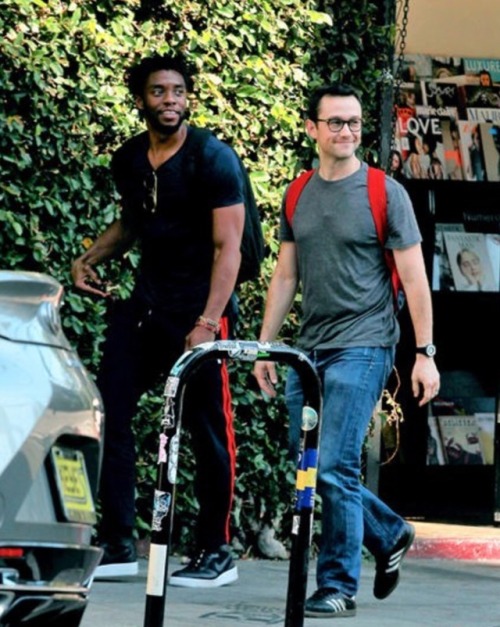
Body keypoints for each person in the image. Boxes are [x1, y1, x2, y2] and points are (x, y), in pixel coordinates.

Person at [253, 83, 440, 619]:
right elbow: (286, 273)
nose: (347, 132)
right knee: (310, 463)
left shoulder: (385, 193)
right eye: (335, 122)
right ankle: (389, 532)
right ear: (312, 129)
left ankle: (337, 585)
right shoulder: (297, 194)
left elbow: (415, 279)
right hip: (309, 347)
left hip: (365, 344)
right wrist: (269, 346)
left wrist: (424, 352)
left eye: (354, 122)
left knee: (334, 463)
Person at [71, 53, 245, 587]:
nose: (169, 100)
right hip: (145, 305)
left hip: (198, 310)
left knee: (207, 428)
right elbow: (132, 223)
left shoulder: (212, 157)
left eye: (177, 91)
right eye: (158, 91)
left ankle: (218, 551)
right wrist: (88, 258)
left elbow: (230, 247)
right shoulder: (129, 159)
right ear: (141, 98)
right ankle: (120, 542)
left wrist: (208, 321)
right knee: (110, 407)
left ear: (188, 97)